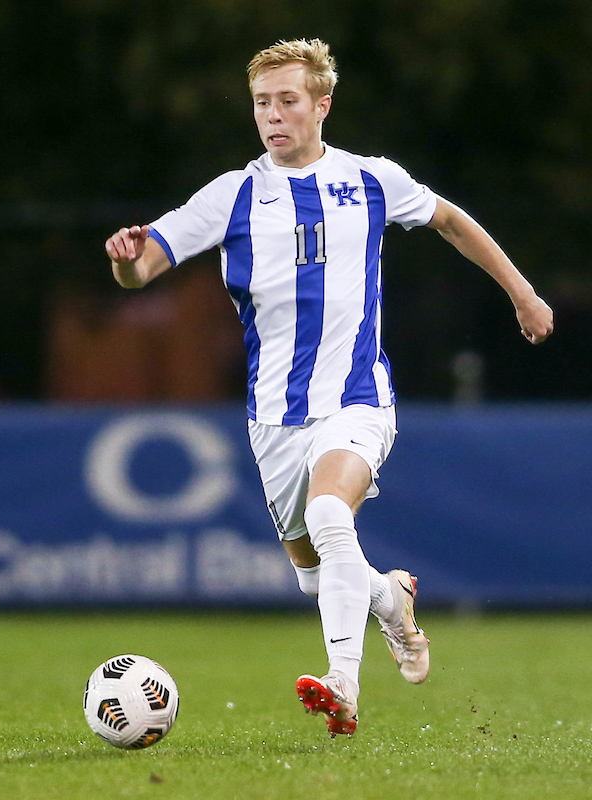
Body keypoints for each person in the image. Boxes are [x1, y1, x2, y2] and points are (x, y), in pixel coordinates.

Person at [105, 39, 553, 737]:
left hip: (356, 399)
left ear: (322, 104)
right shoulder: (232, 195)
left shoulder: (370, 180)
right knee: (315, 575)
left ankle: (341, 682)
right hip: (274, 419)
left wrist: (523, 293)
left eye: (288, 101)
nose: (273, 116)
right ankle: (390, 596)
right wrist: (128, 263)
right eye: (262, 103)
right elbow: (146, 266)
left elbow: (451, 221)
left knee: (329, 516)